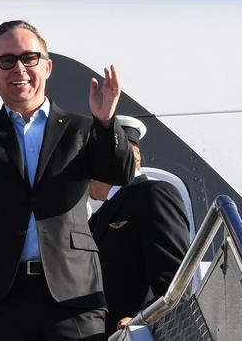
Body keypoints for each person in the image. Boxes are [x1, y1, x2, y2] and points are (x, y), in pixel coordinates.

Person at [0, 20, 135, 340]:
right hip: (1, 296)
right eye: (6, 60)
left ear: (47, 67)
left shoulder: (80, 128)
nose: (19, 67)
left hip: (72, 298)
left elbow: (120, 174)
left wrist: (105, 122)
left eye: (29, 58)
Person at [88, 115, 190, 335]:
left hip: (129, 335)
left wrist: (142, 320)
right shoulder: (102, 214)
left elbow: (176, 282)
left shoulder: (153, 195)